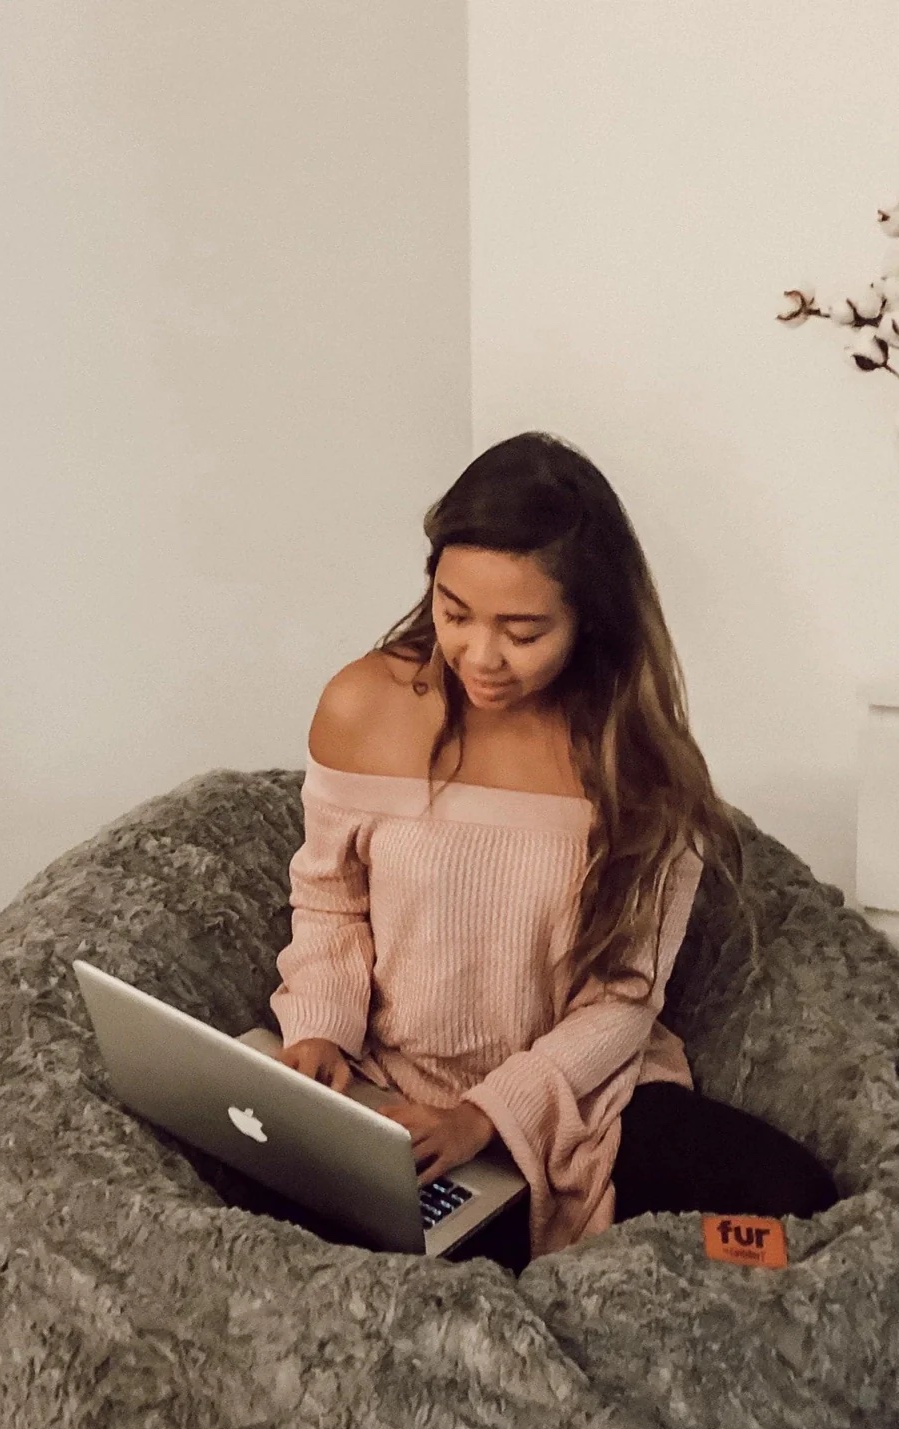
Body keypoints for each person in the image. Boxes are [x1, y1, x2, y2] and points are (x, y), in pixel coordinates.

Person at [267, 431, 836, 1271]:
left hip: (584, 1106)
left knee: (799, 1218)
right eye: (454, 612)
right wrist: (318, 1029)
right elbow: (329, 899)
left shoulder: (640, 767)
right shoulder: (365, 705)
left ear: (589, 621)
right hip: (393, 1093)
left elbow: (623, 1003)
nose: (479, 656)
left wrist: (486, 1118)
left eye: (522, 630)